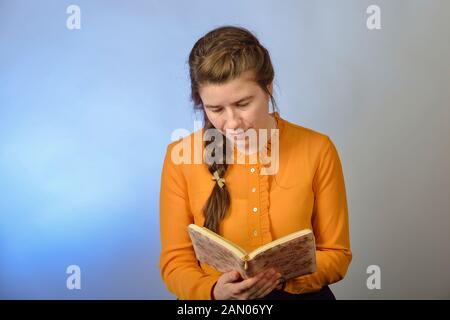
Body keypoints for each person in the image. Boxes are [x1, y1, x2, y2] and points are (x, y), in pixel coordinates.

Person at [159, 25, 352, 300]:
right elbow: (175, 261)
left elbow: (337, 254)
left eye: (243, 103)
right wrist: (213, 290)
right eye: (216, 109)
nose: (232, 122)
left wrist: (280, 280)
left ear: (268, 88)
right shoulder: (180, 157)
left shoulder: (318, 149)